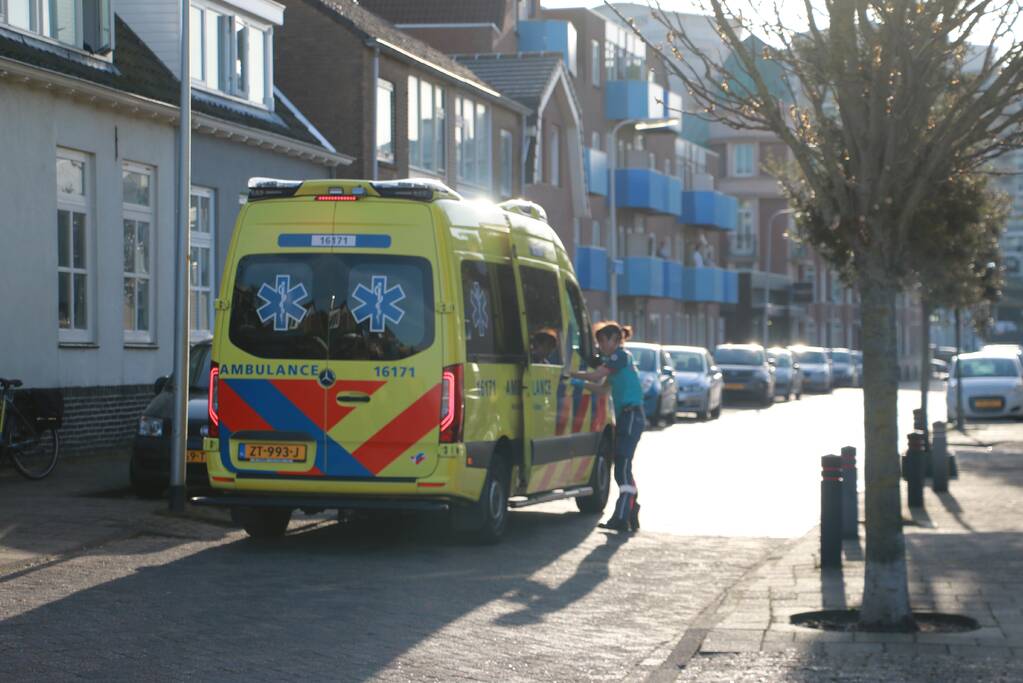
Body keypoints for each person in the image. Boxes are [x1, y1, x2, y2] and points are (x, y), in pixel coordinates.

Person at [569, 321, 644, 532]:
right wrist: (579, 384)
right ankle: (631, 509)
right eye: (599, 342)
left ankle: (622, 516)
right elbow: (602, 389)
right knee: (622, 465)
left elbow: (596, 375)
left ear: (615, 340)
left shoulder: (619, 356)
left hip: (631, 415)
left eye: (603, 341)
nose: (600, 346)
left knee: (622, 465)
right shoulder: (615, 363)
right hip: (628, 417)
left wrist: (570, 374)